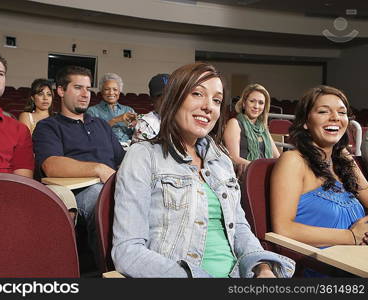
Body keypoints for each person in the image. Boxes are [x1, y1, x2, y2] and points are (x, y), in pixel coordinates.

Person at [111, 62, 295, 278]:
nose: (209, 106)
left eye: (216, 100)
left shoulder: (221, 160)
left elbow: (240, 228)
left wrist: (262, 266)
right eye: (197, 94)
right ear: (173, 99)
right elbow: (128, 251)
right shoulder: (143, 156)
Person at [0, 52, 77, 221]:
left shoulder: (18, 129)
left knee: (63, 196)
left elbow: (22, 180)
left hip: (2, 196)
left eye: (0, 74)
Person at [33, 65, 125, 265]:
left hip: (113, 187)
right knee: (97, 195)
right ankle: (108, 270)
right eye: (78, 88)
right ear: (61, 90)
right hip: (78, 192)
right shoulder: (49, 126)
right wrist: (98, 168)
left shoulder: (101, 125)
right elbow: (51, 165)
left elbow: (123, 160)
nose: (85, 94)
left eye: (88, 89)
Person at [271, 85, 368, 250]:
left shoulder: (343, 159)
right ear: (306, 122)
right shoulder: (293, 161)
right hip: (322, 267)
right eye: (324, 111)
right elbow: (283, 229)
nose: (335, 117)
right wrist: (351, 236)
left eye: (342, 112)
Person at [223, 83, 280, 171]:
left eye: (261, 103)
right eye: (252, 101)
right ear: (244, 103)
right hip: (245, 176)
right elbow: (233, 158)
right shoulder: (234, 123)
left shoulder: (263, 128)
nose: (256, 106)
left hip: (263, 173)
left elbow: (277, 156)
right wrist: (261, 168)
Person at [87, 73, 136, 145]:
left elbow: (135, 135)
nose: (111, 93)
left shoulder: (128, 110)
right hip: (104, 147)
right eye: (107, 89)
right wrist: (115, 120)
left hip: (128, 148)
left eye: (115, 89)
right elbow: (92, 134)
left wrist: (137, 126)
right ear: (101, 91)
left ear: (119, 92)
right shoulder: (92, 111)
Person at [131, 73, 169, 143]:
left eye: (171, 95)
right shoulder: (144, 122)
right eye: (160, 96)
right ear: (152, 99)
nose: (166, 100)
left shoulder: (187, 120)